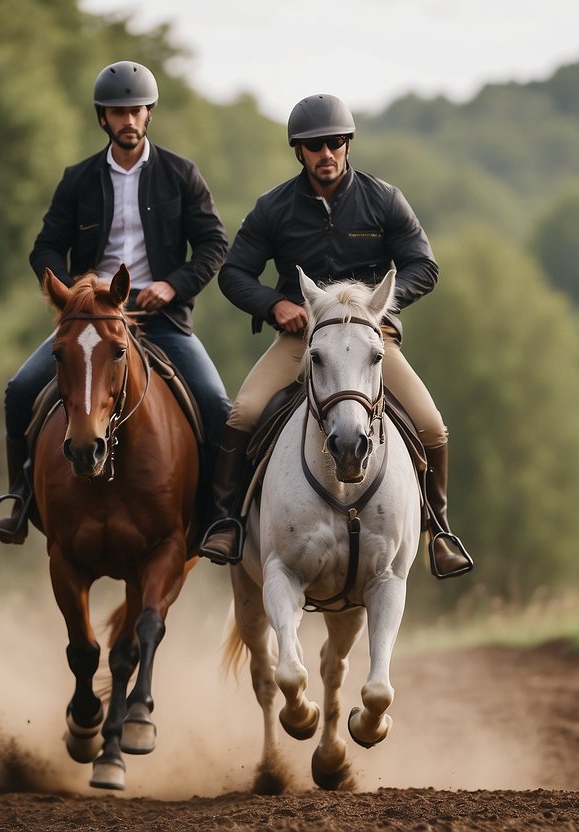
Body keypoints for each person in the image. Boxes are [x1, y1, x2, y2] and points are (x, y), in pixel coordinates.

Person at [197, 93, 473, 579]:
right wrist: (273, 304)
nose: (327, 153)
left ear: (347, 145)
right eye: (314, 145)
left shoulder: (384, 199)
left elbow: (423, 266)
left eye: (335, 143)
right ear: (299, 152)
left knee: (431, 426)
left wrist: (378, 307)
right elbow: (234, 272)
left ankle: (440, 531)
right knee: (242, 412)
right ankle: (227, 522)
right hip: (303, 339)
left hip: (370, 338)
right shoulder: (274, 208)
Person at [0, 60, 231, 544]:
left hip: (160, 319)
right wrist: (76, 289)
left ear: (149, 114)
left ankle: (219, 514)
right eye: (118, 112)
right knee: (19, 391)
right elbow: (46, 247)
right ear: (103, 118)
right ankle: (18, 495)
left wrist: (173, 285)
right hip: (92, 320)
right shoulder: (78, 179)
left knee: (218, 407)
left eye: (137, 111)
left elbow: (213, 245)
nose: (128, 121)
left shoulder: (182, 175)